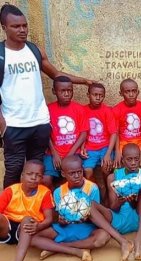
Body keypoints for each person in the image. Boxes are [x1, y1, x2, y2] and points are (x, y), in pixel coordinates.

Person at [0, 4, 93, 188]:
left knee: (37, 168)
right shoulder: (2, 55)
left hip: (40, 123)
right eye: (16, 26)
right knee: (14, 168)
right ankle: (8, 213)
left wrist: (82, 81)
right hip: (14, 124)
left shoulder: (34, 50)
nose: (22, 30)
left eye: (24, 25)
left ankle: (34, 208)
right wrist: (2, 122)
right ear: (4, 28)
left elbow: (56, 75)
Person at [30, 155, 110, 261]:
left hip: (87, 228)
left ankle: (56, 247)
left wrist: (85, 218)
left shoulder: (92, 188)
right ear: (63, 174)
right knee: (34, 239)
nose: (77, 176)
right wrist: (61, 220)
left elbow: (96, 217)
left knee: (103, 236)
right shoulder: (58, 192)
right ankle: (78, 250)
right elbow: (60, 216)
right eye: (72, 173)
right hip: (66, 228)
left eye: (79, 172)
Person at [92, 143, 141, 261]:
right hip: (118, 221)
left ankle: (139, 240)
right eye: (129, 159)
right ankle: (122, 241)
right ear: (122, 160)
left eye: (136, 159)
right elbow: (114, 207)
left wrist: (133, 201)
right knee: (89, 206)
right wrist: (122, 200)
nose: (133, 163)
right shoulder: (113, 177)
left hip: (138, 218)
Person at [0, 160, 54, 261]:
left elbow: (49, 219)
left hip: (26, 230)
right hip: (7, 227)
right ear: (22, 175)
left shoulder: (45, 193)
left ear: (42, 178)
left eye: (38, 175)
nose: (34, 178)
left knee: (27, 219)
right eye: (30, 174)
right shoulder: (11, 190)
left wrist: (39, 226)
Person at [43, 76, 88, 189]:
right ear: (54, 91)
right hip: (54, 153)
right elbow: (45, 134)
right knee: (46, 180)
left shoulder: (79, 109)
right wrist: (54, 154)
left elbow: (83, 133)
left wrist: (70, 154)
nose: (67, 94)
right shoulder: (48, 109)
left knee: (79, 176)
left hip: (74, 152)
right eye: (63, 91)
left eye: (70, 90)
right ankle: (56, 202)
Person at [81, 83, 117, 205]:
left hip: (104, 147)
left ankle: (107, 193)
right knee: (88, 171)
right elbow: (82, 132)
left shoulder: (107, 111)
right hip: (90, 148)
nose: (98, 98)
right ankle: (95, 192)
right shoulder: (83, 110)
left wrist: (108, 154)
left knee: (106, 168)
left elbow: (113, 133)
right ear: (88, 95)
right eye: (95, 95)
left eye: (101, 95)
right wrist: (82, 147)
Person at [112, 78, 141, 168]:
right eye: (127, 92)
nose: (131, 94)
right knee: (118, 165)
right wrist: (117, 151)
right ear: (121, 93)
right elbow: (115, 133)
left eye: (134, 91)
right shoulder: (116, 110)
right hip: (123, 142)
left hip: (140, 142)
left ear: (138, 92)